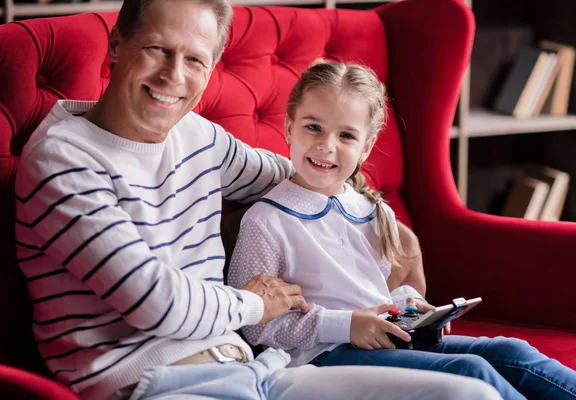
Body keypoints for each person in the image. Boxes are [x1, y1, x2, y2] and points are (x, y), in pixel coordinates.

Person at [13, 0, 505, 398]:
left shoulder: (197, 137)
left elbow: (295, 174)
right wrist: (253, 304)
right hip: (151, 384)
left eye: (194, 59)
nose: (173, 76)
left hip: (257, 372)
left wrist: (386, 226)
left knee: (471, 393)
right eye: (158, 49)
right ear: (117, 45)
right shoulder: (64, 160)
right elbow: (154, 302)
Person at [228, 60, 576, 400]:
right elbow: (255, 324)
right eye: (313, 127)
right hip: (323, 358)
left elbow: (379, 291)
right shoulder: (266, 220)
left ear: (366, 147)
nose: (326, 145)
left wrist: (411, 307)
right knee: (472, 371)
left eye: (346, 135)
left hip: (389, 338)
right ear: (289, 127)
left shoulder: (369, 209)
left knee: (512, 352)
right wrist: (347, 325)